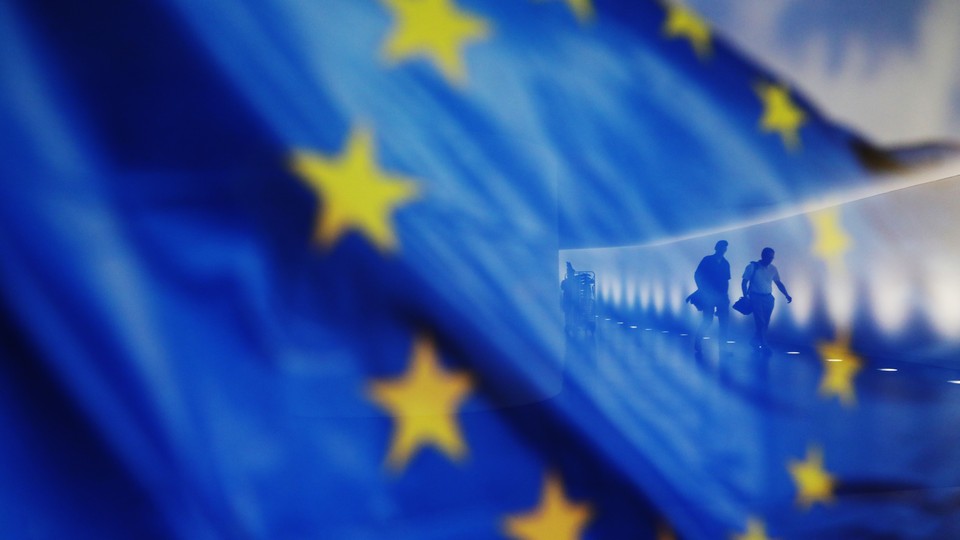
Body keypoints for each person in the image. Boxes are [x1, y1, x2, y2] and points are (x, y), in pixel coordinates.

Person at [741, 247, 792, 353]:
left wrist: (786, 294)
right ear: (763, 256)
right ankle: (764, 344)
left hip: (768, 298)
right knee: (761, 321)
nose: (770, 259)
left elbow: (778, 282)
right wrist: (745, 296)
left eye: (772, 257)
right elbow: (744, 282)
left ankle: (755, 341)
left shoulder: (773, 268)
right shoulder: (752, 267)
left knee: (765, 322)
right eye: (768, 257)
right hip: (755, 297)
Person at [693, 240, 731, 352]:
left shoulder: (725, 263)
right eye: (722, 247)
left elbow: (726, 281)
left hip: (721, 296)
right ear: (716, 247)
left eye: (725, 248)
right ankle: (698, 341)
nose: (724, 249)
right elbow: (697, 275)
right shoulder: (707, 260)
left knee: (723, 322)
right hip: (709, 295)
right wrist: (702, 290)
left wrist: (726, 295)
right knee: (708, 320)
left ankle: (722, 347)